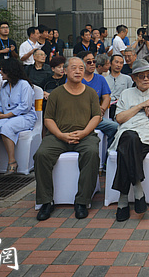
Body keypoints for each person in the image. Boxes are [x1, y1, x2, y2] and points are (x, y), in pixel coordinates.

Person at [34, 57, 102, 221]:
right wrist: (60, 135)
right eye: (74, 68)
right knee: (41, 155)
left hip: (85, 136)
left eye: (81, 68)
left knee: (92, 153)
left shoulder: (91, 93)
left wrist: (85, 132)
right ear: (65, 70)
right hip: (58, 136)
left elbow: (96, 116)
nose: (78, 71)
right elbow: (48, 119)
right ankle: (46, 201)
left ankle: (82, 201)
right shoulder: (56, 94)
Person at [111, 60, 149, 221]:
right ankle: (138, 189)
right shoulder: (126, 94)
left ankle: (123, 199)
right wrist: (140, 106)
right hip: (125, 135)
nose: (145, 79)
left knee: (128, 148)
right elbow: (119, 119)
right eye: (141, 76)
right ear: (134, 78)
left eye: (148, 76)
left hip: (146, 139)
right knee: (129, 137)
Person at [0, 58, 36, 174]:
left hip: (25, 117)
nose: (0, 72)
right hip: (7, 117)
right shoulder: (4, 86)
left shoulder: (24, 85)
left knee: (6, 128)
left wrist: (6, 115)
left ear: (10, 71)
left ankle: (12, 161)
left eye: (3, 71)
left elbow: (25, 106)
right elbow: (0, 103)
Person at [78, 52, 119, 141]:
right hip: (78, 117)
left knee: (115, 127)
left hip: (96, 117)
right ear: (81, 64)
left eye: (94, 61)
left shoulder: (100, 79)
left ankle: (108, 151)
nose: (92, 64)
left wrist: (102, 110)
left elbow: (106, 97)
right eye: (89, 62)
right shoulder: (75, 79)